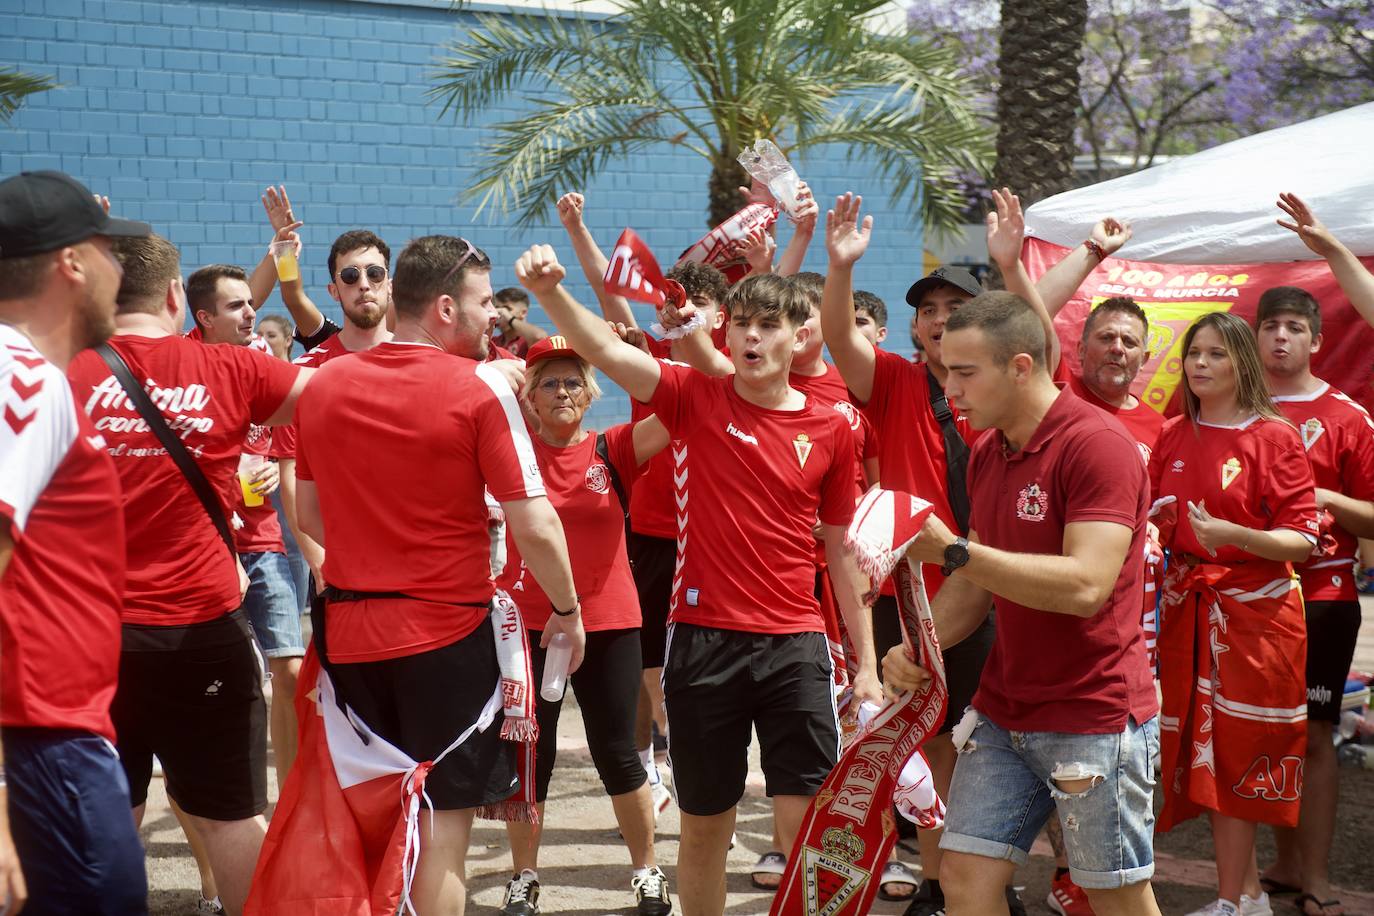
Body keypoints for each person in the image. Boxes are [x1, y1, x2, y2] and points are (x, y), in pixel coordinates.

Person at [516, 243, 881, 916]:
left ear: (799, 333)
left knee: (807, 825)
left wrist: (863, 664)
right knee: (706, 825)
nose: (751, 336)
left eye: (768, 325)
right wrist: (551, 294)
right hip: (703, 646)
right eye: (740, 323)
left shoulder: (832, 428)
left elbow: (841, 550)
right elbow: (609, 352)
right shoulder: (694, 395)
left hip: (795, 645)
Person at [290, 234, 584, 915]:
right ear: (447, 308)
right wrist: (567, 610)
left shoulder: (322, 380)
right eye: (484, 304)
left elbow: (310, 514)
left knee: (371, 823)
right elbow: (536, 525)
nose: (495, 319)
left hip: (350, 637)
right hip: (445, 635)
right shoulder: (477, 390)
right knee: (440, 828)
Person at [882, 290, 1162, 916]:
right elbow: (978, 582)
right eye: (944, 368)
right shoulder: (989, 448)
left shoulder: (1099, 445)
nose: (948, 386)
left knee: (1113, 894)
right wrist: (916, 650)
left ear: (1020, 366)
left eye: (963, 371)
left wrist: (953, 551)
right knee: (963, 875)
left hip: (1094, 714)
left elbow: (1085, 585)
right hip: (1005, 709)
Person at [821, 189, 1055, 916]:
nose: (939, 322)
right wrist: (838, 270)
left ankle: (997, 882)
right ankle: (932, 879)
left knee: (996, 740)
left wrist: (1012, 268)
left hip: (992, 589)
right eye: (927, 311)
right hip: (907, 596)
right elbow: (837, 339)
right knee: (924, 740)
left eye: (955, 310)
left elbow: (1039, 346)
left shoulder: (1003, 396)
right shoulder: (891, 382)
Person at [67, 233, 311, 916]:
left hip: (88, 641)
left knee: (104, 819)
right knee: (229, 819)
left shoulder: (61, 372)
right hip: (204, 634)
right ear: (177, 296)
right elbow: (341, 401)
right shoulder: (231, 369)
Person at [0, 169, 152, 914]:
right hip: (38, 743)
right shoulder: (24, 379)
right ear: (72, 263)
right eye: (111, 252)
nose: (123, 273)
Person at [494, 336, 672, 916]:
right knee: (530, 755)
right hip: (527, 624)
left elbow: (681, 409)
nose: (563, 391)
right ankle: (524, 877)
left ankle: (647, 872)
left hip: (609, 622)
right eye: (549, 381)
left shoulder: (613, 449)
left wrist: (651, 349)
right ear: (530, 396)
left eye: (574, 381)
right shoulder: (507, 452)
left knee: (618, 751)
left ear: (591, 393)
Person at [1148, 312, 1317, 916]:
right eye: (1195, 352)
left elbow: (1303, 538)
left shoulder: (1274, 436)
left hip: (1255, 619)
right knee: (1200, 749)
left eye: (1216, 354)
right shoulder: (1171, 434)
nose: (1200, 364)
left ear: (1242, 362)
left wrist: (1233, 535)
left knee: (1239, 753)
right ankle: (1244, 900)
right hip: (1187, 609)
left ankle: (1229, 902)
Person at [1252, 285, 1374, 916]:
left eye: (1294, 327)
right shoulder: (1230, 406)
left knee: (1315, 735)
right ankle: (1286, 861)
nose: (1280, 337)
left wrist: (1326, 501)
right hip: (1247, 596)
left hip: (1323, 595)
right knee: (1269, 735)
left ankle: (1318, 879)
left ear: (1316, 340)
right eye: (1270, 324)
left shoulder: (1347, 416)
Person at [188, 264, 306, 793]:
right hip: (206, 547)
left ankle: (296, 793)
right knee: (222, 682)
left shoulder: (260, 361)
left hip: (262, 542)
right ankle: (227, 791)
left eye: (250, 306)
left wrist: (283, 257)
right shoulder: (185, 363)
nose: (251, 314)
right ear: (202, 319)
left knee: (292, 671)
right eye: (236, 308)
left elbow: (288, 452)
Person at [491, 287, 548, 357]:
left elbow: (539, 336)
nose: (501, 312)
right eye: (497, 308)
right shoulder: (494, 341)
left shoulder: (526, 341)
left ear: (523, 313)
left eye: (507, 309)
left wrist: (510, 318)